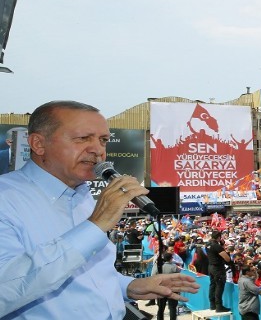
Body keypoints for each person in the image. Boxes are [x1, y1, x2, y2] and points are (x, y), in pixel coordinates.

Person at [0, 100, 199, 319]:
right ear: (38, 144)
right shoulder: (6, 199)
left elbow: (88, 276)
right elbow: (7, 289)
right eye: (82, 138)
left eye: (103, 140)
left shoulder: (83, 196)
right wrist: (94, 225)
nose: (98, 150)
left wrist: (129, 286)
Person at [207, 230, 232, 312]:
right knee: (219, 287)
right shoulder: (216, 246)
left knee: (212, 285)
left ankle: (212, 304)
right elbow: (227, 259)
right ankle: (219, 306)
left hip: (210, 266)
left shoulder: (207, 244)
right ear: (218, 237)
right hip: (218, 268)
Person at [151, 252, 181, 320]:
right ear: (171, 259)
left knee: (161, 309)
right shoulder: (174, 267)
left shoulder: (157, 266)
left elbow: (153, 276)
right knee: (172, 308)